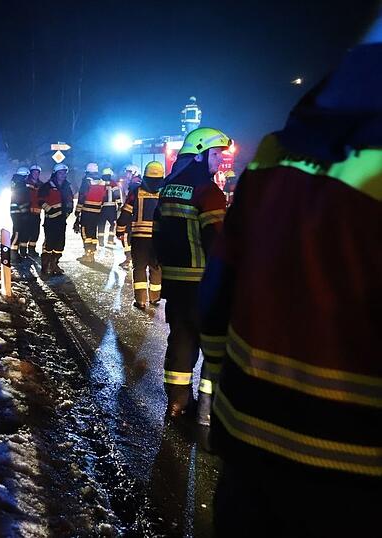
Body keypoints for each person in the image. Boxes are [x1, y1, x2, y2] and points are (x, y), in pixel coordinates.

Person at [200, 21, 381, 536]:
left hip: (249, 435)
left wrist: (218, 375)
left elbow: (220, 284)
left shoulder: (275, 155)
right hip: (357, 467)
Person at [152, 126, 230, 418]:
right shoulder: (209, 192)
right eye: (215, 153)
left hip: (175, 282)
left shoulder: (168, 188)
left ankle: (177, 401)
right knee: (213, 345)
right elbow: (217, 241)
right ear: (198, 155)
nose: (219, 160)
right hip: (202, 283)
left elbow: (158, 233)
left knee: (181, 339)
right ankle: (209, 412)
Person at [116, 161, 164, 310]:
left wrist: (120, 229)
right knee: (156, 267)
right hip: (158, 237)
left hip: (139, 237)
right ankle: (155, 297)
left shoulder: (136, 191)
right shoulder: (165, 192)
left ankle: (141, 300)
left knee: (139, 267)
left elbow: (126, 211)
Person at [38, 163, 75, 275]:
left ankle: (54, 264)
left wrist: (69, 211)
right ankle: (45, 266)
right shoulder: (47, 186)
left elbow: (70, 200)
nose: (63, 175)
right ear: (55, 173)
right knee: (49, 243)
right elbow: (40, 200)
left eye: (64, 173)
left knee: (60, 244)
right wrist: (49, 209)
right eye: (61, 172)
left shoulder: (66, 186)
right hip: (50, 220)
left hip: (61, 220)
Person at [74, 162, 106, 261]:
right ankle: (91, 254)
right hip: (97, 212)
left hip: (86, 211)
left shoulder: (87, 181)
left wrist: (77, 211)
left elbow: (82, 196)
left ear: (87, 172)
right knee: (93, 233)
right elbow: (104, 197)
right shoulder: (102, 182)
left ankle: (87, 254)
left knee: (85, 232)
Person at [8, 166, 33, 262]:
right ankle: (13, 254)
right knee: (17, 232)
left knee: (19, 231)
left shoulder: (17, 183)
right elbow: (20, 200)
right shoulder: (20, 185)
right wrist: (24, 211)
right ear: (25, 176)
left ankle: (16, 253)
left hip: (16, 212)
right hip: (18, 213)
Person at [99, 167, 124, 247]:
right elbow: (116, 194)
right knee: (113, 224)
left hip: (101, 207)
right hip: (111, 208)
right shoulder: (113, 183)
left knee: (101, 224)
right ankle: (110, 240)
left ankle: (100, 241)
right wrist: (119, 204)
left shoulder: (100, 183)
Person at [23, 165, 44, 259]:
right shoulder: (26, 183)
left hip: (37, 213)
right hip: (27, 212)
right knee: (25, 231)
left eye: (37, 172)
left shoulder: (41, 184)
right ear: (31, 173)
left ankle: (32, 249)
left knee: (35, 232)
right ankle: (22, 250)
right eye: (34, 172)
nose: (36, 174)